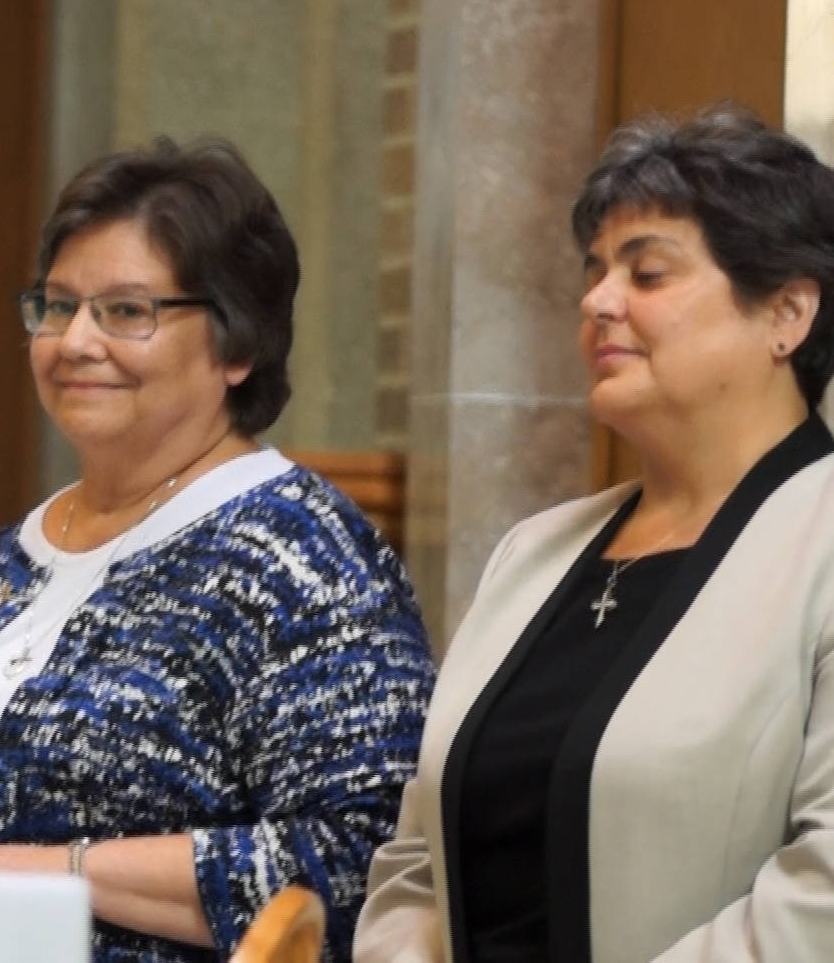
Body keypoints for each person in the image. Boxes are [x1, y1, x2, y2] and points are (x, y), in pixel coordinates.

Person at [0, 137, 436, 962]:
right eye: (57, 306)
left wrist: (63, 873)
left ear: (237, 344)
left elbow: (361, 863)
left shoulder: (305, 557)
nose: (75, 342)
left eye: (127, 312)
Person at [355, 106, 834, 962]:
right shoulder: (534, 555)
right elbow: (415, 863)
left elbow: (821, 897)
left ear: (788, 314)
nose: (597, 301)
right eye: (596, 271)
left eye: (647, 274)